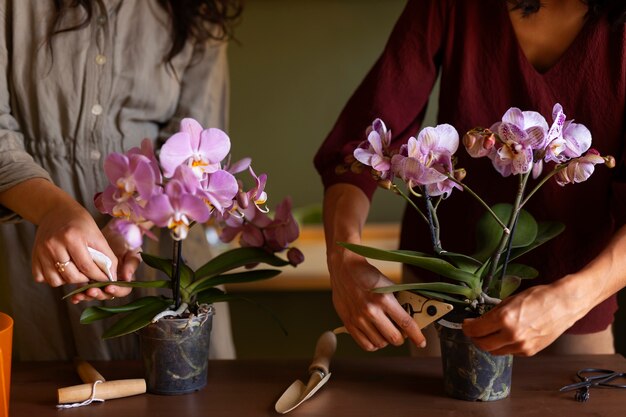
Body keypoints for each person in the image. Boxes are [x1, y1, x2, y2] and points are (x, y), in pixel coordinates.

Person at [314, 0, 626, 356]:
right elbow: (360, 144)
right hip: (444, 286)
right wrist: (343, 260)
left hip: (579, 289)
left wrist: (574, 298)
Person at [0, 0, 241, 361]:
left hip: (158, 254)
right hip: (29, 248)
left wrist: (132, 219)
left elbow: (197, 151)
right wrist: (53, 209)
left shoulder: (202, 8)